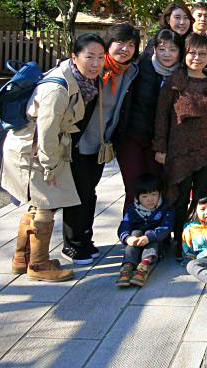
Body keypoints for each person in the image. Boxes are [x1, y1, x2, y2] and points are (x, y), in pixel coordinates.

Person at [2, 33, 106, 282]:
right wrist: (50, 167)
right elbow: (47, 131)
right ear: (74, 57)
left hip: (37, 147)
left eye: (100, 57)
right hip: (34, 151)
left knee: (38, 203)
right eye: (89, 56)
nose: (95, 63)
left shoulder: (78, 81)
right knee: (46, 204)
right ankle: (38, 265)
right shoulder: (58, 88)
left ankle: (21, 258)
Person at [66, 23, 140, 264]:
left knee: (90, 192)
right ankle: (74, 245)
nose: (125, 49)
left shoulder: (129, 72)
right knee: (80, 193)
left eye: (131, 44)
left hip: (101, 143)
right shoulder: (96, 69)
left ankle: (85, 239)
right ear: (110, 44)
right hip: (78, 141)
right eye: (120, 43)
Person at [153, 33, 207, 247]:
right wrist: (160, 146)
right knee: (179, 198)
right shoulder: (174, 81)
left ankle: (198, 240)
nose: (197, 57)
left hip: (206, 148)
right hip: (179, 150)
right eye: (192, 53)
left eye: (203, 53)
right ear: (185, 54)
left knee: (201, 199)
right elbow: (162, 116)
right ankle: (179, 240)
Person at [115, 29, 182, 205]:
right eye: (162, 49)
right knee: (134, 188)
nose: (167, 54)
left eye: (173, 49)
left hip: (162, 143)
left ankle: (155, 232)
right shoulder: (139, 67)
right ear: (154, 49)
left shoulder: (183, 74)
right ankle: (130, 231)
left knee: (156, 190)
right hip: (133, 136)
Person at [116, 174, 175, 288]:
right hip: (138, 241)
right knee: (135, 233)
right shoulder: (132, 209)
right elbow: (125, 225)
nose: (150, 199)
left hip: (157, 242)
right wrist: (128, 238)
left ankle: (144, 266)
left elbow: (166, 227)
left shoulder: (165, 208)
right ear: (137, 197)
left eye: (154, 194)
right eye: (144, 196)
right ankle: (127, 266)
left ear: (160, 193)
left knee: (151, 235)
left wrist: (149, 237)